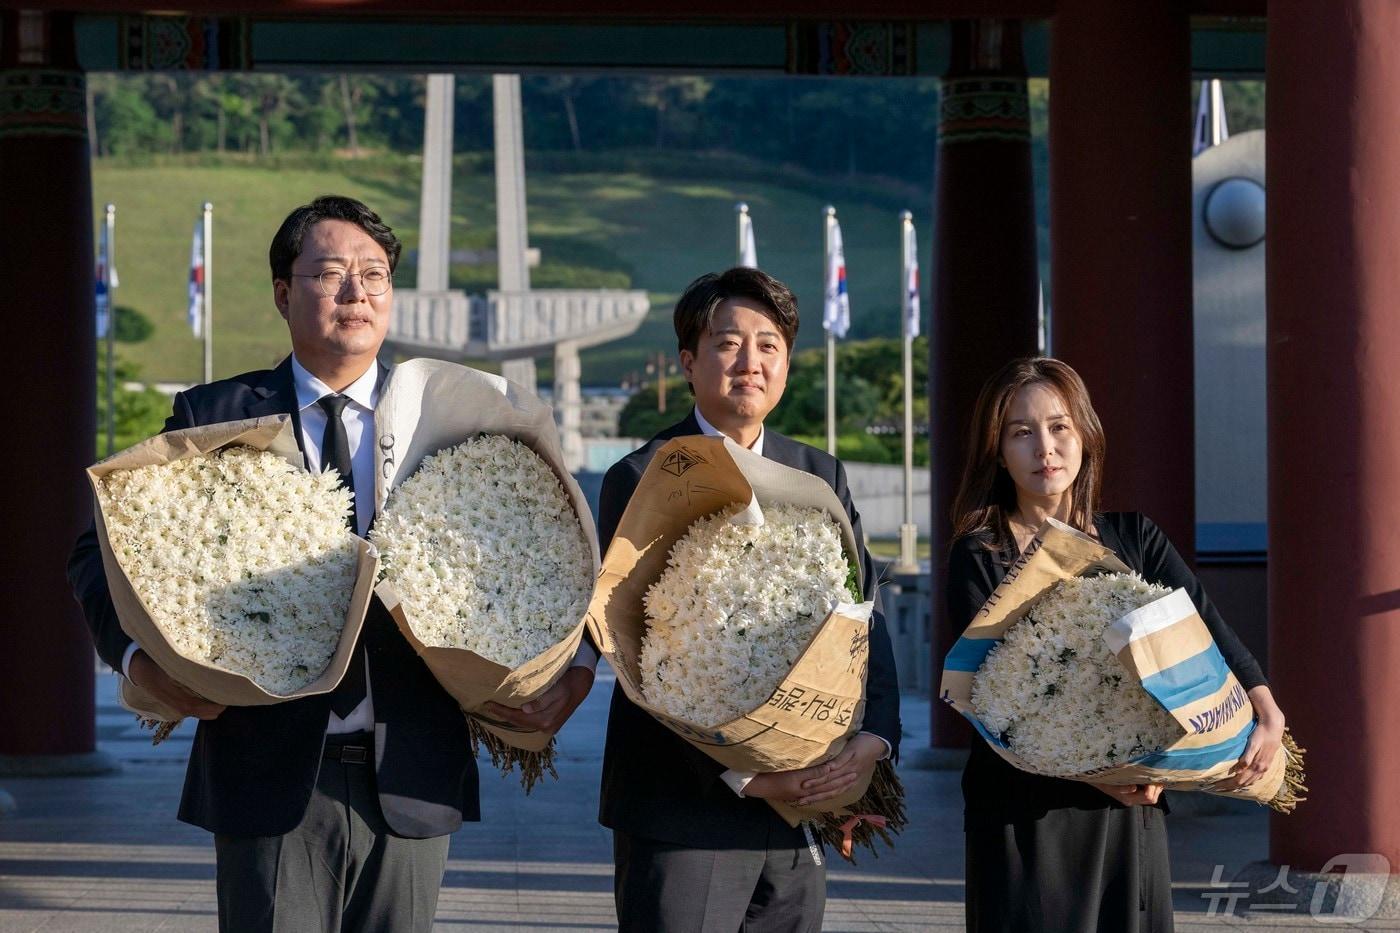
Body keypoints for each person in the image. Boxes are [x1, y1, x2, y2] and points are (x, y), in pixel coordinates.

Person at [67, 195, 595, 933]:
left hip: (413, 772)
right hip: (267, 771)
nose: (356, 293)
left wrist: (574, 667)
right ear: (284, 293)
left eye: (374, 275)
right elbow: (98, 550)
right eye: (330, 273)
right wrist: (134, 662)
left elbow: (564, 555)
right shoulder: (215, 414)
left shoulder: (458, 420)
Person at [596, 266, 901, 932]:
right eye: (728, 342)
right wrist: (754, 778)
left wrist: (872, 739)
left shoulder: (820, 472)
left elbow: (863, 616)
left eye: (769, 345)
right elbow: (640, 656)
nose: (750, 362)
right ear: (688, 360)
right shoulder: (645, 475)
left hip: (799, 816)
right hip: (684, 809)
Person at [946, 356, 1287, 933]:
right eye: (1021, 433)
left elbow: (1207, 627)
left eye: (1059, 427)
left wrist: (1265, 706)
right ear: (998, 451)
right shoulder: (980, 554)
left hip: (1133, 802)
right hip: (1027, 807)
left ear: (1085, 434)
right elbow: (988, 696)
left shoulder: (1137, 537)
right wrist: (1095, 772)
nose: (1044, 448)